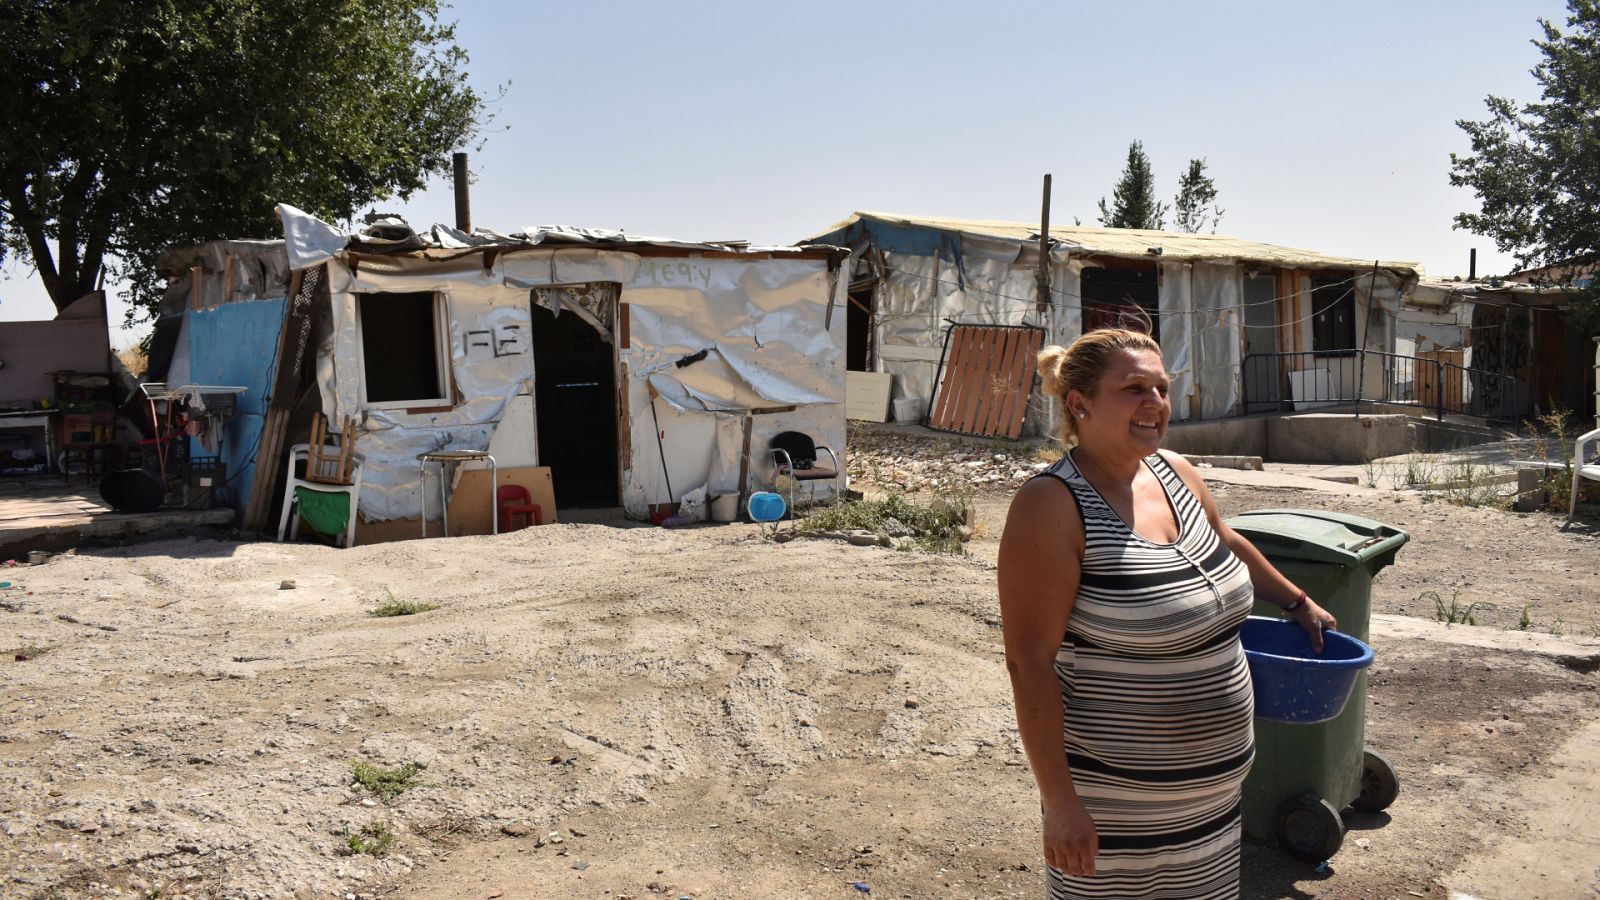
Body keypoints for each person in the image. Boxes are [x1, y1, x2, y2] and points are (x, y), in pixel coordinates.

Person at [997, 328, 1337, 898]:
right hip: (1116, 811)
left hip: (1215, 807)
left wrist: (1297, 601)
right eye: (1134, 388)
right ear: (1079, 403)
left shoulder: (1174, 471)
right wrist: (1059, 804)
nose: (1155, 402)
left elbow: (1226, 541)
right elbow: (1028, 663)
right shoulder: (1051, 505)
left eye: (1161, 387)